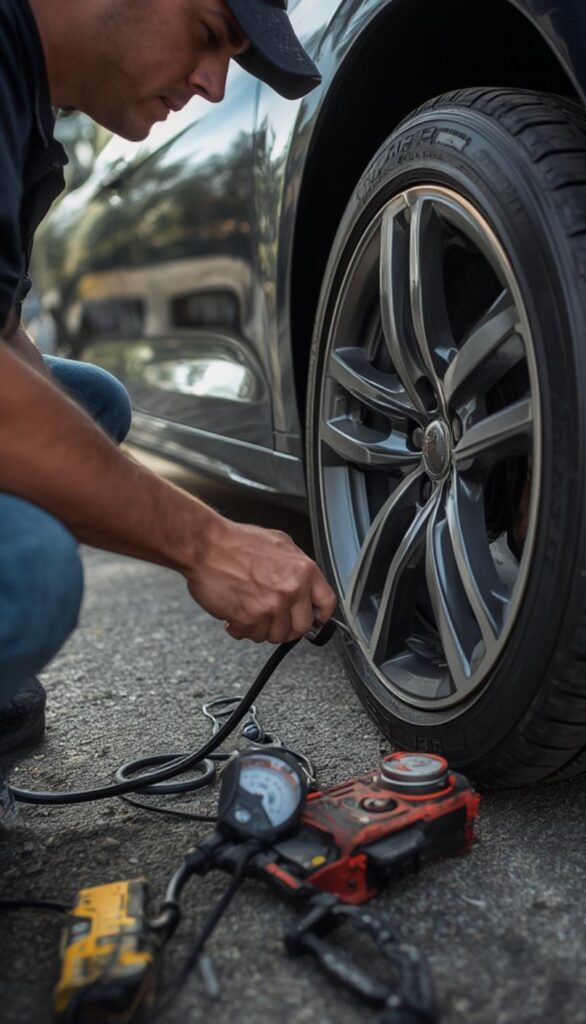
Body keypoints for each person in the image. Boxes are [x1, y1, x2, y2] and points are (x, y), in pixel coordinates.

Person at [0, 0, 335, 765]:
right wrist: (206, 543)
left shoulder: (24, 105)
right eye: (211, 36)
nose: (216, 85)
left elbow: (6, 336)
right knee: (27, 579)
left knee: (88, 404)